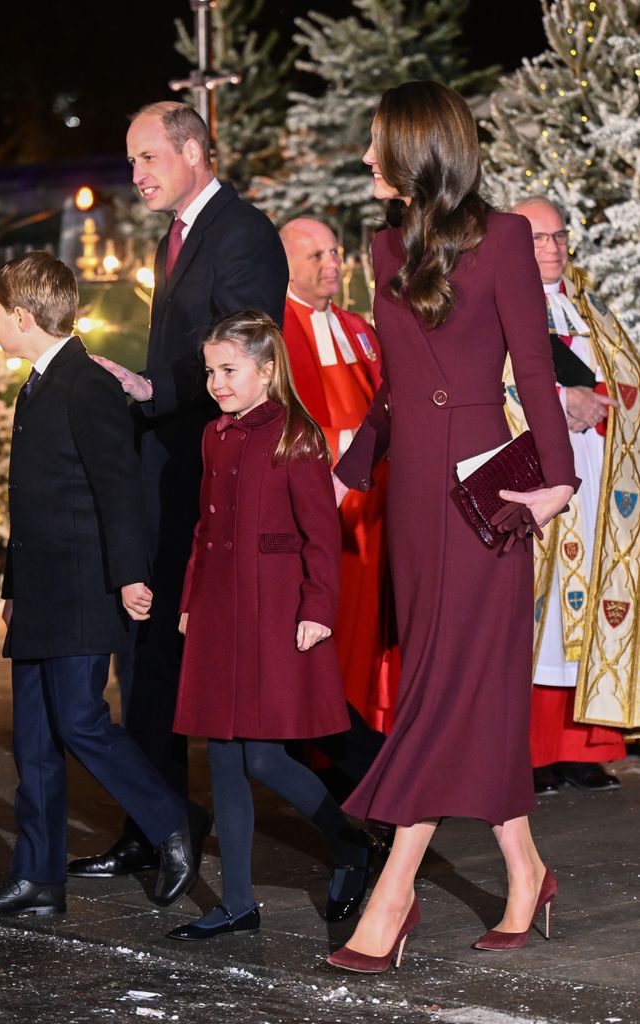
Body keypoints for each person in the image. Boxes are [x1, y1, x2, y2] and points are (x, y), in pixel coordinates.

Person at [326, 82, 577, 973]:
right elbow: (396, 382)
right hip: (414, 502)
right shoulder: (385, 243)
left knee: (439, 688)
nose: (364, 159)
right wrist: (351, 464)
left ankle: (393, 893)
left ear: (417, 148)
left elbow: (537, 372)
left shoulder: (504, 236)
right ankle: (527, 871)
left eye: (375, 143)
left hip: (487, 501)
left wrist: (558, 481)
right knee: (449, 679)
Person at [0, 253, 207, 921]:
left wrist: (129, 576)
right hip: (38, 591)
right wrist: (12, 583)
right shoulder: (34, 388)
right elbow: (30, 501)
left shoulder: (85, 384)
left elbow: (117, 489)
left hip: (84, 589)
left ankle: (172, 821)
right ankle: (37, 878)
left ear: (25, 318)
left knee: (82, 721)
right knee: (32, 738)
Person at [67, 102, 288, 880]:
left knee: (187, 652)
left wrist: (154, 387)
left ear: (195, 151)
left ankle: (364, 809)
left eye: (148, 158)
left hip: (215, 480)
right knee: (147, 648)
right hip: (170, 472)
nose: (136, 176)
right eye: (132, 161)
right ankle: (156, 821)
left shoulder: (242, 232)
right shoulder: (179, 237)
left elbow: (245, 346)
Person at [165, 312, 380, 942]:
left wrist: (317, 607)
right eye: (210, 371)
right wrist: (189, 597)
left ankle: (349, 840)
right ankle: (237, 902)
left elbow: (320, 532)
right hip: (218, 610)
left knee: (261, 754)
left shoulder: (297, 434)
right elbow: (204, 529)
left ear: (266, 370)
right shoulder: (214, 436)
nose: (216, 383)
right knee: (224, 756)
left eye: (228, 370)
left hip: (275, 609)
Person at [506, 196, 640, 793]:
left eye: (558, 237)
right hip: (537, 476)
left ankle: (581, 749)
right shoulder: (499, 309)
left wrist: (607, 400)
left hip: (599, 482)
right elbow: (494, 382)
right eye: (537, 239)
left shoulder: (589, 310)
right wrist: (565, 402)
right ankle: (528, 753)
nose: (553, 248)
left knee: (586, 612)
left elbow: (627, 378)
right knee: (540, 612)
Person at [280, 218, 399, 742]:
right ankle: (330, 743)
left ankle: (376, 730)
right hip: (326, 507)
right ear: (286, 264)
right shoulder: (278, 334)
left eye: (335, 252)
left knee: (377, 628)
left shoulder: (358, 328)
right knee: (332, 624)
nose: (333, 264)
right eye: (317, 257)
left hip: (379, 506)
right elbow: (283, 421)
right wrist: (349, 438)